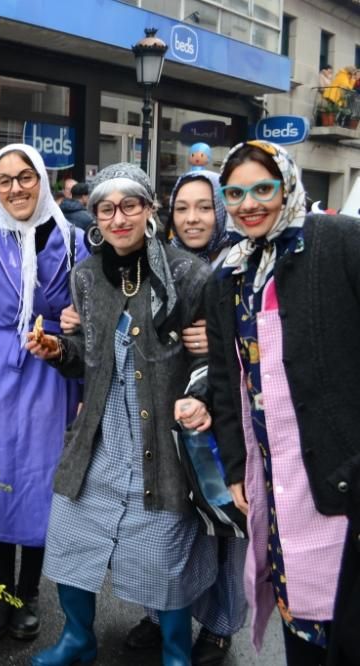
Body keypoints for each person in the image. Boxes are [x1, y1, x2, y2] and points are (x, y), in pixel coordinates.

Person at [27, 162, 216, 666]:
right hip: (100, 440)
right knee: (70, 539)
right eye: (106, 209)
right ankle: (77, 639)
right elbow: (86, 354)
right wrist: (56, 350)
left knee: (164, 559)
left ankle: (176, 652)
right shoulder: (86, 276)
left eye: (130, 206)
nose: (118, 218)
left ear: (150, 211)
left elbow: (213, 355)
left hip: (163, 446)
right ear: (95, 216)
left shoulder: (187, 274)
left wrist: (203, 378)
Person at [200, 140, 360, 666]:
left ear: (287, 186)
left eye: (262, 189)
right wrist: (238, 466)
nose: (249, 204)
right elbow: (226, 380)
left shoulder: (339, 242)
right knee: (300, 623)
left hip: (341, 476)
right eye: (236, 192)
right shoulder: (231, 274)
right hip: (276, 479)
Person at [0, 143, 87, 642]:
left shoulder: (75, 241)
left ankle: (28, 594)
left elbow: (91, 308)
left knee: (38, 481)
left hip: (52, 368)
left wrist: (75, 328)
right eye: (5, 180)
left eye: (25, 177)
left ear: (43, 180)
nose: (16, 188)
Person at [121, 168, 247, 666]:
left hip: (227, 415)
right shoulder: (157, 263)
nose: (192, 218)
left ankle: (220, 626)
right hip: (167, 407)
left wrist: (220, 342)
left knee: (223, 524)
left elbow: (267, 338)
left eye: (204, 206)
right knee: (166, 520)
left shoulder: (240, 261)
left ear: (220, 209)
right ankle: (160, 615)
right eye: (182, 208)